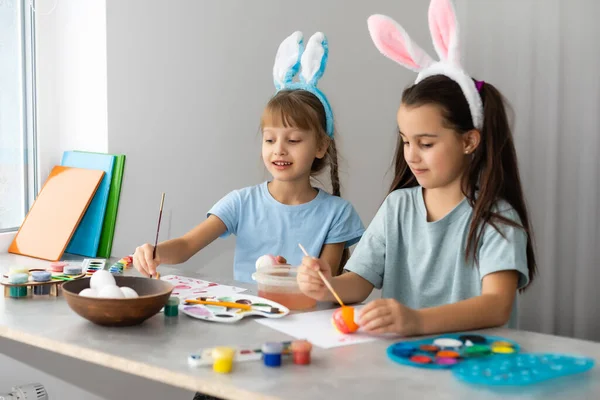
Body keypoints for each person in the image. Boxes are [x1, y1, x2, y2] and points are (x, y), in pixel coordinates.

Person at [297, 0, 537, 337]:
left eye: (426, 143)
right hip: (407, 365)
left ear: (469, 141)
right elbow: (360, 283)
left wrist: (417, 321)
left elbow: (496, 306)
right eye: (406, 142)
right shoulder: (397, 207)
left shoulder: (496, 219)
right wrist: (327, 285)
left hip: (471, 372)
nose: (411, 155)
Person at [133, 31, 365, 286]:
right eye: (270, 140)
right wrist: (155, 253)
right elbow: (187, 245)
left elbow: (325, 278)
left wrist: (291, 275)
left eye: (293, 140)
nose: (279, 150)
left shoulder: (337, 213)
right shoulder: (241, 203)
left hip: (305, 321)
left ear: (321, 146)